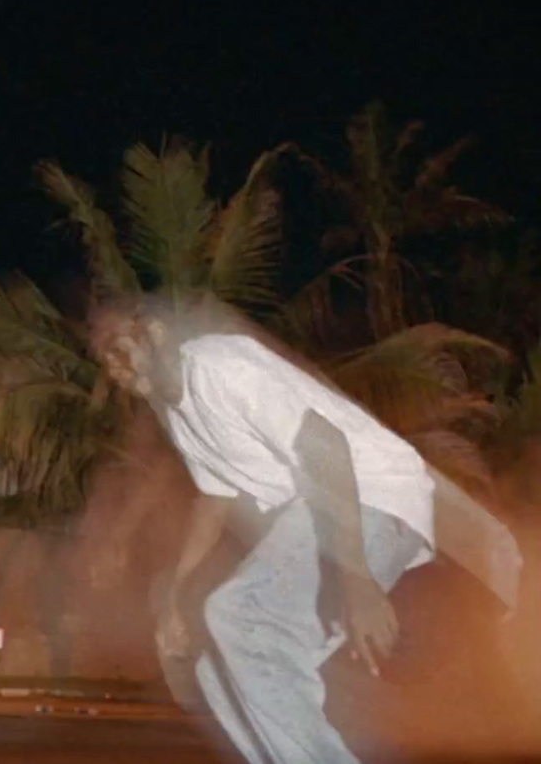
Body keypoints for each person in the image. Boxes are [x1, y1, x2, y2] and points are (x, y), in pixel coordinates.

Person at [88, 296, 441, 764]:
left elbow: (325, 445)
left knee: (241, 616)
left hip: (371, 498)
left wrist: (356, 576)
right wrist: (175, 596)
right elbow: (214, 500)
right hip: (333, 511)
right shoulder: (181, 416)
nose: (113, 364)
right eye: (102, 357)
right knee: (219, 667)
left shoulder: (218, 365)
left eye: (118, 343)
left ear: (152, 332)